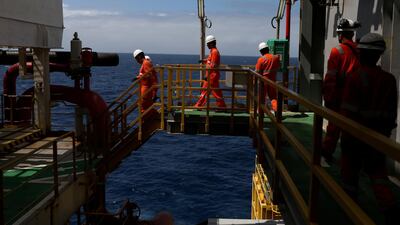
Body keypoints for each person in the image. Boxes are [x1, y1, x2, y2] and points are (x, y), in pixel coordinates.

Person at [340, 33, 398, 225]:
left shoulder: (355, 78)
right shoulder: (389, 80)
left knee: (350, 173)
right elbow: (390, 113)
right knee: (378, 174)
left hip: (355, 136)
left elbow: (347, 112)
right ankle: (389, 209)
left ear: (362, 53)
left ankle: (349, 207)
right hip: (378, 137)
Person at [322, 18, 361, 163]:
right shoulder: (359, 51)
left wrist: (328, 97)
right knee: (351, 131)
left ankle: (326, 152)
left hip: (339, 96)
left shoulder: (337, 51)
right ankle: (351, 159)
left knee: (333, 126)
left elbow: (331, 77)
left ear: (340, 34)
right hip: (355, 97)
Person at [194, 35, 227, 108]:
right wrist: (204, 61)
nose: (207, 45)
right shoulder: (212, 51)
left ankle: (221, 106)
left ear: (212, 43)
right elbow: (210, 60)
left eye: (208, 44)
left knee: (214, 92)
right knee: (207, 91)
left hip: (212, 75)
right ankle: (199, 105)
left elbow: (213, 65)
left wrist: (207, 76)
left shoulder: (214, 52)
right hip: (211, 75)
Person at [255, 42, 280, 111]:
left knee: (262, 97)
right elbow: (278, 67)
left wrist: (254, 81)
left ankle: (260, 112)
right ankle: (277, 111)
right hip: (272, 81)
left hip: (263, 82)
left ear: (261, 51)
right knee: (273, 97)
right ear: (268, 49)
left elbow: (257, 71)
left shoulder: (261, 59)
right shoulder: (276, 58)